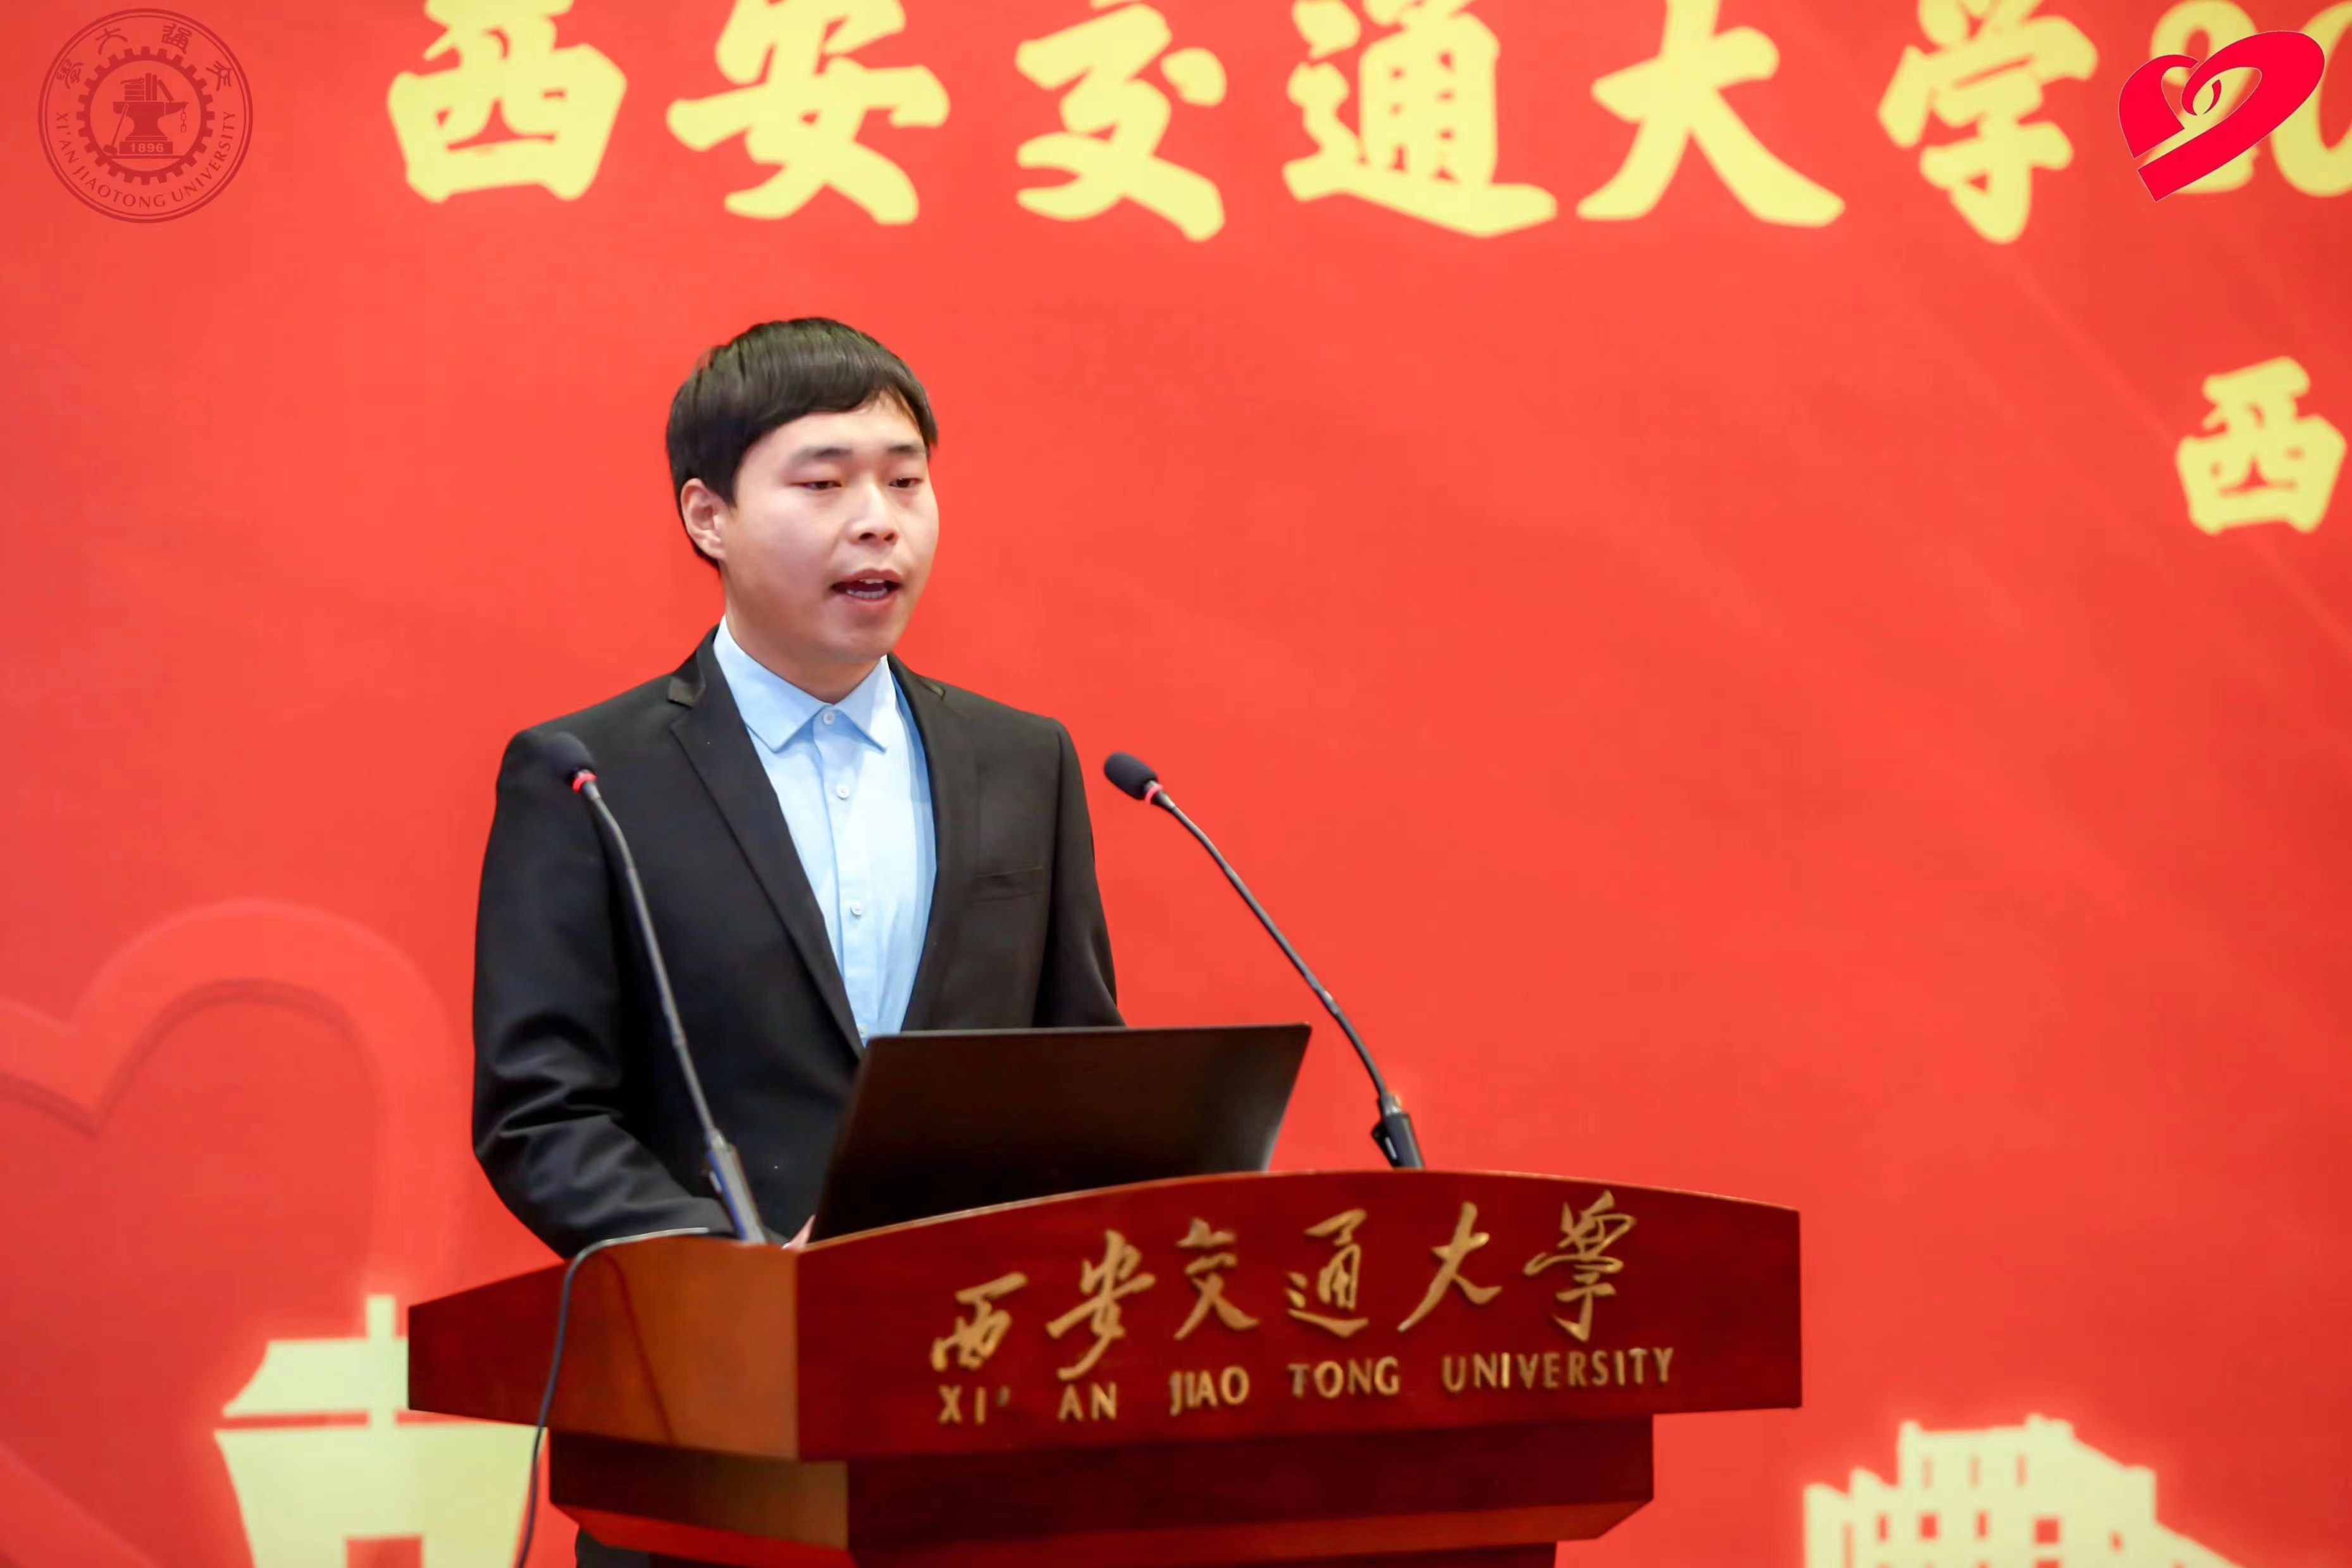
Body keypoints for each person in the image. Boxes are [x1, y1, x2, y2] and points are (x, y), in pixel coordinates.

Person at [469, 319, 1122, 1561]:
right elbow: (540, 1112)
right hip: (709, 1450)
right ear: (707, 515)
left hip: (985, 1438)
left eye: (905, 481)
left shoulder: (1020, 761)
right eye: (823, 484)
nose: (878, 521)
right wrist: (740, 1275)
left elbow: (1075, 1070)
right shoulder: (588, 776)